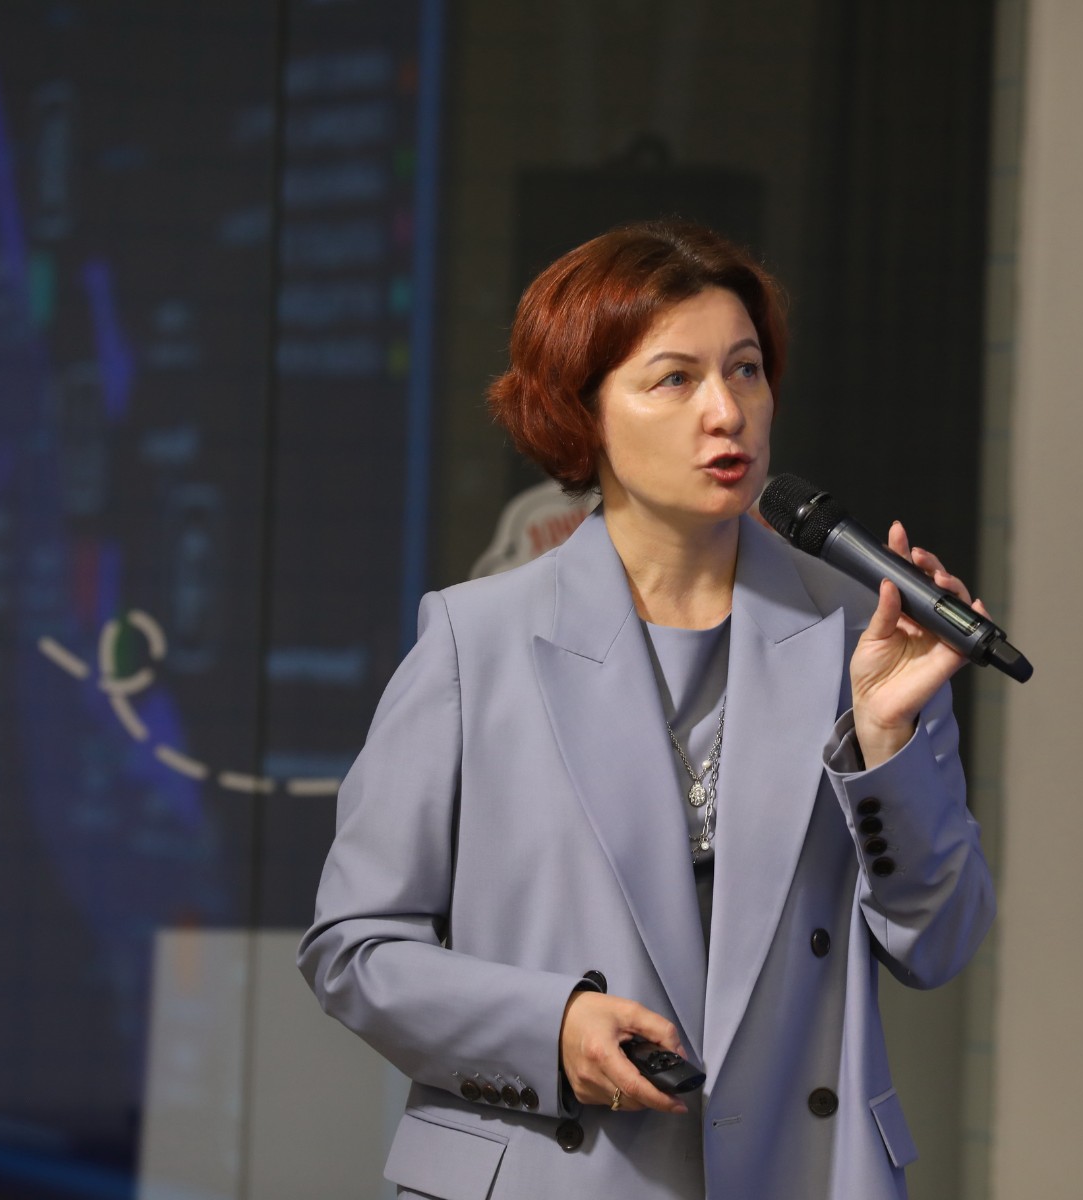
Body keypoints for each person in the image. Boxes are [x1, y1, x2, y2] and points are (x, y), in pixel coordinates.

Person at [298, 220, 994, 1198]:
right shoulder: (477, 640)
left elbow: (942, 943)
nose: (727, 411)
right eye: (675, 379)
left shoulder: (860, 634)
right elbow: (354, 946)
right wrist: (549, 1027)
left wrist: (887, 743)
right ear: (584, 414)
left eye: (746, 370)